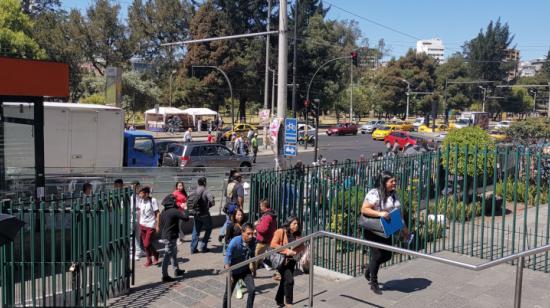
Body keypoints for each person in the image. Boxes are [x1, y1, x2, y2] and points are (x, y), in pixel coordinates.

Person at [360, 170, 409, 295]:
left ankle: (369, 269)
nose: (394, 183)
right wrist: (380, 213)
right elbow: (364, 209)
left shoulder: (393, 195)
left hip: (386, 230)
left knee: (387, 256)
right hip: (373, 230)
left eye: (394, 181)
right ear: (384, 182)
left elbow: (398, 213)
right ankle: (374, 283)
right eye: (391, 181)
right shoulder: (374, 193)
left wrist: (404, 228)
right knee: (377, 255)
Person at [271, 216, 304, 307]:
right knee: (290, 281)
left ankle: (279, 299)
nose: (296, 225)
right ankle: (289, 303)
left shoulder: (297, 234)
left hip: (291, 261)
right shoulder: (280, 232)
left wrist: (294, 252)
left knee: (284, 280)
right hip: (281, 261)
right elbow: (273, 244)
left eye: (297, 224)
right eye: (294, 223)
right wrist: (286, 251)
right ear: (289, 224)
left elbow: (302, 246)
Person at [223, 223, 256, 308]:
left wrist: (254, 269)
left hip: (245, 270)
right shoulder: (234, 242)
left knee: (252, 290)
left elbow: (253, 256)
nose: (251, 236)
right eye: (248, 233)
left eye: (252, 233)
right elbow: (227, 258)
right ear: (242, 232)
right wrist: (229, 273)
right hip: (233, 271)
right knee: (228, 294)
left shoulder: (253, 241)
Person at [158, 194, 189, 282]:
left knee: (173, 253)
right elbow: (186, 218)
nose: (176, 202)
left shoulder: (164, 211)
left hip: (166, 235)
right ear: (172, 202)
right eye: (175, 201)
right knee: (167, 255)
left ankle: (176, 270)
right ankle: (165, 275)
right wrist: (186, 208)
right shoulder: (174, 211)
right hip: (170, 236)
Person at [225, 208, 248, 299]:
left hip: (244, 251)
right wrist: (232, 246)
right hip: (235, 252)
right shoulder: (231, 225)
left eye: (241, 214)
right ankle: (238, 289)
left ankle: (240, 283)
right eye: (238, 214)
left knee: (243, 268)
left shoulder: (245, 225)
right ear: (234, 215)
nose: (240, 216)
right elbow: (226, 239)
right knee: (236, 270)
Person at [190, 177, 214, 254]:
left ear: (198, 183)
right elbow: (212, 201)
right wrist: (208, 206)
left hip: (196, 213)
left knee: (196, 231)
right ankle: (203, 247)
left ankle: (193, 249)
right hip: (204, 214)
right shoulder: (206, 191)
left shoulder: (194, 190)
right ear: (204, 182)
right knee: (209, 228)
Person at [253, 199, 277, 275]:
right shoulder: (270, 214)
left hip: (263, 240)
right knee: (264, 255)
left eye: (260, 206)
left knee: (255, 256)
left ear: (264, 206)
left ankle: (251, 272)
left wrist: (257, 226)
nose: (260, 207)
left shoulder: (267, 216)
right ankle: (263, 264)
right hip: (269, 239)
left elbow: (263, 229)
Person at [138, 186, 160, 267]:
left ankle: (155, 254)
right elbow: (140, 211)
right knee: (145, 244)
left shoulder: (153, 200)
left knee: (146, 244)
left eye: (141, 193)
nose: (140, 195)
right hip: (142, 224)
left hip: (150, 225)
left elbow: (157, 213)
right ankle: (149, 260)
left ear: (146, 194)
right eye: (139, 193)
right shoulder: (141, 201)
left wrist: (157, 225)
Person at [130, 181, 146, 260]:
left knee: (138, 236)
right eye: (135, 186)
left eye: (138, 187)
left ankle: (139, 251)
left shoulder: (139, 196)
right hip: (132, 218)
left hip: (139, 218)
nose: (136, 188)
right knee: (131, 236)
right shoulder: (130, 196)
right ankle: (131, 253)